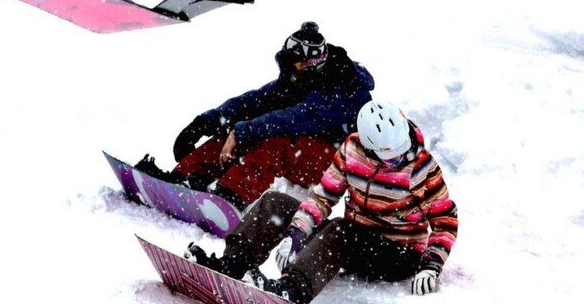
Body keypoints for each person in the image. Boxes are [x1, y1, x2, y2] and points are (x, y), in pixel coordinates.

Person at [186, 101, 458, 301]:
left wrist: (431, 265)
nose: (399, 158)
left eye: (400, 150)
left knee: (341, 229)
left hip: (397, 253)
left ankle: (291, 290)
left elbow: (445, 220)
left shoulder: (421, 168)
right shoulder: (352, 150)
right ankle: (232, 265)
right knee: (276, 203)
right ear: (368, 146)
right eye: (389, 154)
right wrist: (296, 234)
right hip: (355, 241)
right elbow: (323, 196)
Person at [139, 22, 373, 206]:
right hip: (310, 148)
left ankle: (230, 197)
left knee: (273, 141)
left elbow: (298, 118)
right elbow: (256, 101)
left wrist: (243, 131)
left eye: (295, 66)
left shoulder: (344, 87)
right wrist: (207, 122)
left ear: (312, 64)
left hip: (338, 165)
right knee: (243, 129)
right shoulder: (300, 78)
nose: (289, 72)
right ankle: (184, 177)